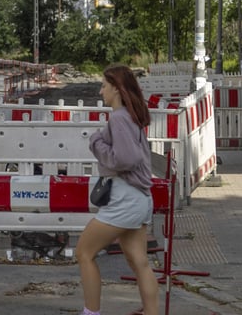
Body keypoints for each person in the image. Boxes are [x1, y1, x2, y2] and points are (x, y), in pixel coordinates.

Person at [75, 64, 157, 315]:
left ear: (117, 89)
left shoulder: (119, 117)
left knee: (84, 252)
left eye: (104, 86)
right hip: (140, 198)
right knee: (139, 261)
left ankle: (91, 313)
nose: (101, 92)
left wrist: (96, 143)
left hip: (124, 198)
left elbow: (125, 160)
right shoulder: (132, 117)